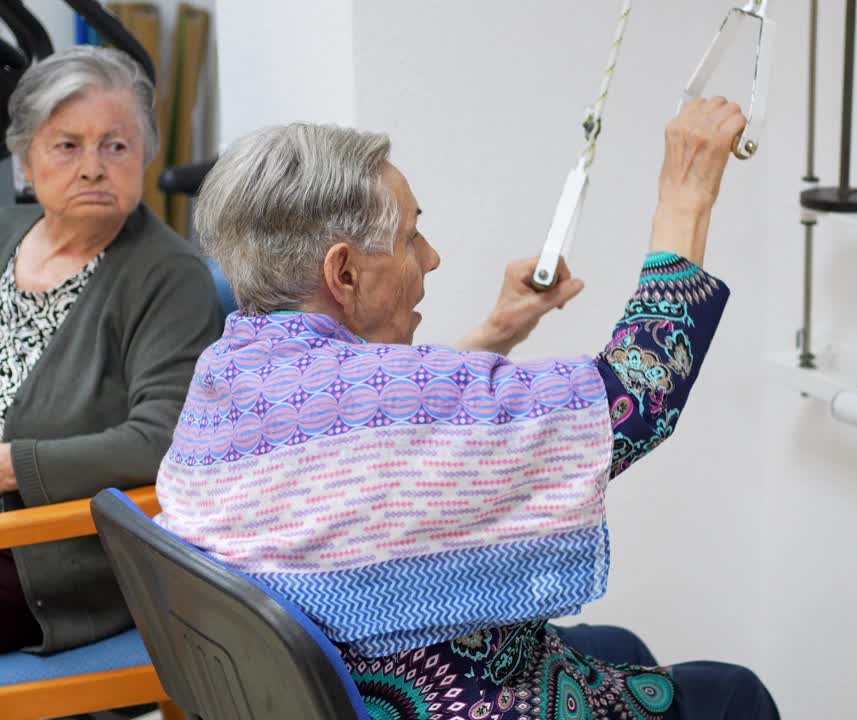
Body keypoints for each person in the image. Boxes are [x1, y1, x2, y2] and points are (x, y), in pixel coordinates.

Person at [155, 97, 778, 718]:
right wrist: (686, 196)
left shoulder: (229, 374)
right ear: (343, 273)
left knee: (620, 645)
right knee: (732, 694)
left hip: (334, 685)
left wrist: (498, 330)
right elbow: (637, 396)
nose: (431, 257)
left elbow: (384, 432)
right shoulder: (389, 395)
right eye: (411, 236)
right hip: (442, 697)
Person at [0, 46, 222, 654]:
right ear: (25, 158)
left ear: (145, 155)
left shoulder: (168, 275)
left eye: (116, 146)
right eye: (68, 145)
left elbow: (162, 439)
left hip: (52, 560)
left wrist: (11, 465)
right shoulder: (5, 232)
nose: (93, 168)